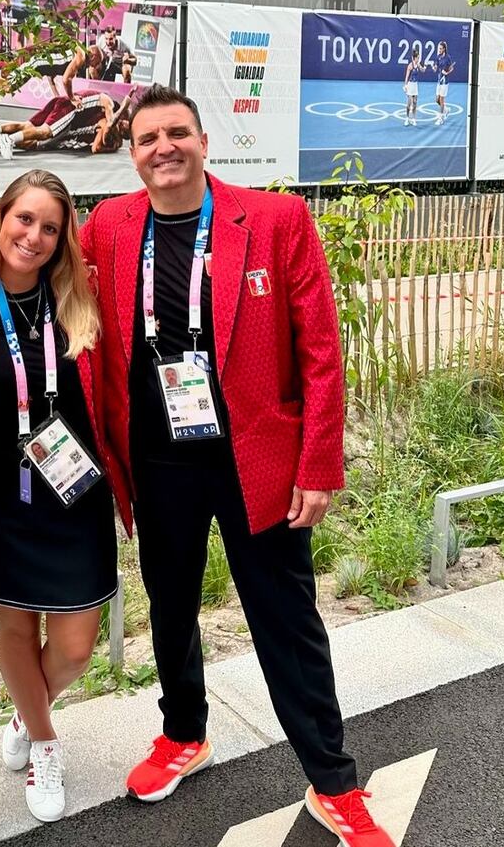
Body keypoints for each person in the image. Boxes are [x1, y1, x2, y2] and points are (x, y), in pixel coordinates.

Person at [79, 84, 394, 847]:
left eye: (177, 132)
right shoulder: (111, 225)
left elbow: (321, 351)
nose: (164, 148)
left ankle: (333, 781)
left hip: (257, 460)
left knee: (287, 621)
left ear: (202, 138)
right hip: (157, 460)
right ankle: (184, 731)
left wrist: (317, 464)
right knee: (172, 606)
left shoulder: (276, 219)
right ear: (132, 151)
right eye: (148, 137)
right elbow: (37, 274)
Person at [0, 170, 131, 823]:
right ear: (0, 218)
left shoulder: (77, 300)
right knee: (13, 624)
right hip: (4, 498)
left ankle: (27, 709)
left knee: (76, 645)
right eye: (23, 219)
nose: (33, 235)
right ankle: (44, 742)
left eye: (49, 226)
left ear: (63, 240)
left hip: (75, 492)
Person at [0, 93, 131, 159]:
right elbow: (108, 125)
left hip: (61, 102)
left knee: (27, 127)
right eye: (124, 125)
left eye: (124, 131)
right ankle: (8, 140)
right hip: (69, 108)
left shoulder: (100, 114)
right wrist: (123, 107)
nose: (122, 127)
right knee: (45, 133)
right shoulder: (107, 104)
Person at [402, 48, 428, 127]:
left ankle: (413, 119)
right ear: (414, 58)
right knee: (409, 103)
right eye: (418, 57)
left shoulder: (418, 64)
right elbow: (407, 77)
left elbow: (423, 70)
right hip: (410, 85)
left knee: (415, 102)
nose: (419, 59)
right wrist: (405, 86)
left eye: (419, 57)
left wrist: (425, 67)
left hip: (415, 86)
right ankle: (407, 118)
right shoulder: (410, 65)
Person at [433, 40, 454, 125]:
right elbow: (436, 66)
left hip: (445, 82)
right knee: (437, 100)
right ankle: (446, 109)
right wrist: (434, 68)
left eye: (441, 48)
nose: (439, 50)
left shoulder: (448, 58)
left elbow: (451, 68)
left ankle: (440, 118)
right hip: (439, 80)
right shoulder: (438, 57)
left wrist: (447, 73)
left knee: (441, 99)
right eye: (439, 48)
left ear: (444, 49)